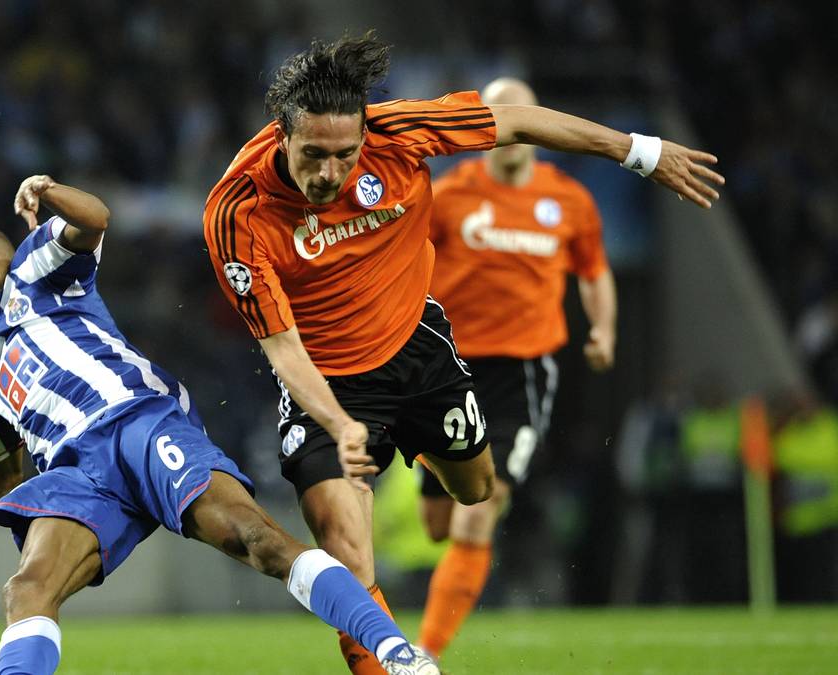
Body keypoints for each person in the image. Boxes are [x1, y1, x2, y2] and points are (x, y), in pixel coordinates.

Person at [203, 32, 722, 674]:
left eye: (345, 155)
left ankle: (426, 458)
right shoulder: (237, 209)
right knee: (346, 554)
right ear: (281, 134)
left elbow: (519, 122)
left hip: (417, 353)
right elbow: (282, 349)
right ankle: (398, 662)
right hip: (324, 381)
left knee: (477, 492)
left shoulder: (402, 132)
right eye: (313, 155)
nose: (330, 174)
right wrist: (339, 424)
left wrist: (640, 151)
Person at [0, 175, 441, 675]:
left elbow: (94, 218)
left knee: (260, 543)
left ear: (9, 260)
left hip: (138, 423)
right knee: (27, 589)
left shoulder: (37, 273)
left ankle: (396, 654)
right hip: (79, 475)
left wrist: (47, 190)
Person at [413, 77, 618, 659]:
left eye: (519, 113)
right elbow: (402, 262)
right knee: (437, 523)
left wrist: (603, 328)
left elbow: (595, 271)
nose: (510, 125)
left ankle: (423, 656)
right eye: (497, 113)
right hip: (445, 370)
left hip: (521, 372)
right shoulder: (449, 196)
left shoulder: (569, 201)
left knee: (482, 506)